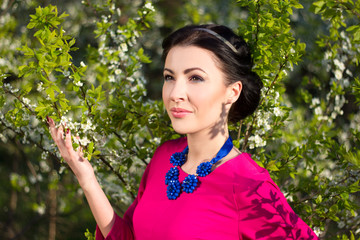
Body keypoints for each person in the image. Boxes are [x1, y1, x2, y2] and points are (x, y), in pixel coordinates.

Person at [47, 24, 319, 239]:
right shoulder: (164, 156)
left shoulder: (249, 184)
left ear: (232, 91)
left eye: (195, 78)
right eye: (169, 77)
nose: (176, 93)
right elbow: (127, 236)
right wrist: (87, 179)